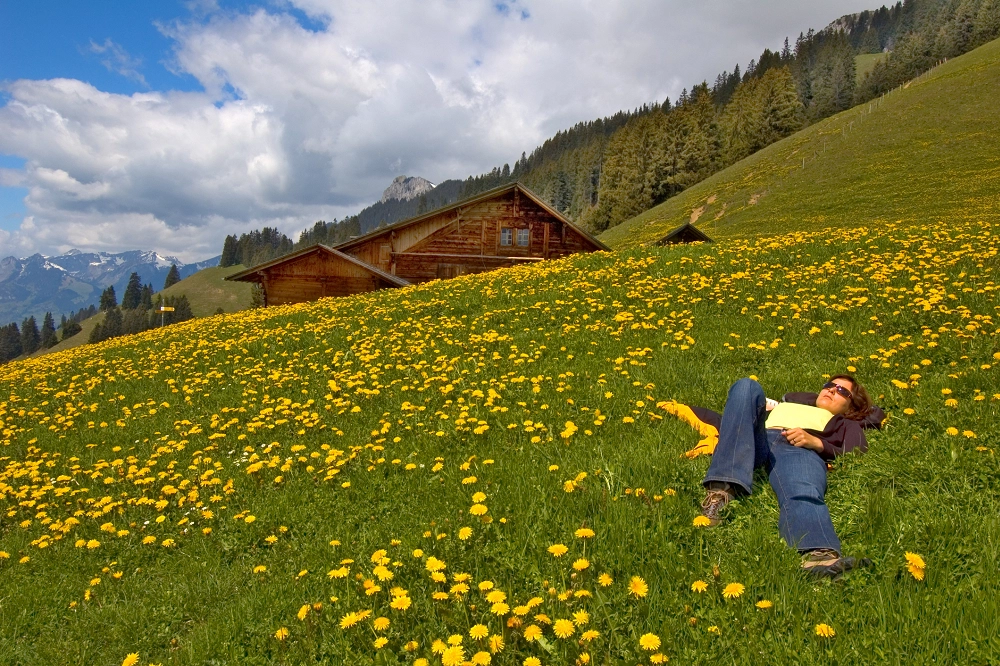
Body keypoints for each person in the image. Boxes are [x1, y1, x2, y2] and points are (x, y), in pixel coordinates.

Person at [700, 375, 885, 577]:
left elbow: (857, 450)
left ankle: (818, 555)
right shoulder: (786, 405)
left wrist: (817, 443)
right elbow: (739, 417)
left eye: (842, 391)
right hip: (758, 440)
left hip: (797, 448)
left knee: (802, 487)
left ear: (850, 407)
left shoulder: (843, 423)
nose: (832, 390)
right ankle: (720, 493)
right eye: (830, 385)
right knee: (746, 385)